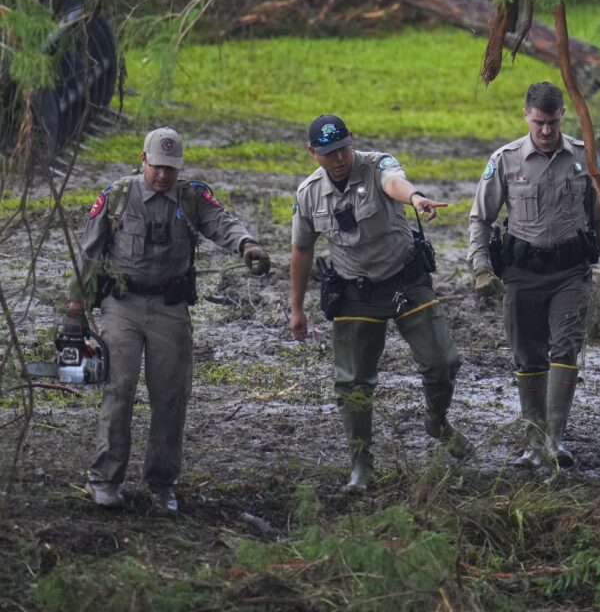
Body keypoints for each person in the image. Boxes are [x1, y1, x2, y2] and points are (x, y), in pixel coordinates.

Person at [63, 127, 270, 512]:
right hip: (121, 306)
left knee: (171, 396)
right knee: (119, 388)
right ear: (143, 160)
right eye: (157, 167)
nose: (163, 175)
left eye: (170, 169)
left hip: (171, 308)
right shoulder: (117, 197)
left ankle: (161, 484)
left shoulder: (191, 197)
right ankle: (105, 479)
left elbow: (221, 222)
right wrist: (76, 309)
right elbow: (88, 254)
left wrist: (246, 245)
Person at [289, 114, 472, 492]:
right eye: (328, 153)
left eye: (342, 148)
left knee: (443, 362)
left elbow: (394, 183)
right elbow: (301, 249)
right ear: (313, 153)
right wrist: (296, 307)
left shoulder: (377, 164)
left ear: (351, 141)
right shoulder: (308, 194)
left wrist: (416, 197)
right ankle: (361, 465)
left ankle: (436, 419)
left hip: (405, 280)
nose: (338, 158)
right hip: (355, 291)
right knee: (353, 383)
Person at [468, 82, 600, 469]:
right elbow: (480, 218)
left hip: (571, 274)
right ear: (525, 116)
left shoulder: (585, 159)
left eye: (551, 122)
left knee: (565, 349)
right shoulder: (505, 160)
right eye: (538, 122)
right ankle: (533, 443)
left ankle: (555, 440)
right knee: (529, 356)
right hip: (521, 275)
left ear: (563, 116)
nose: (546, 131)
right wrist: (481, 267)